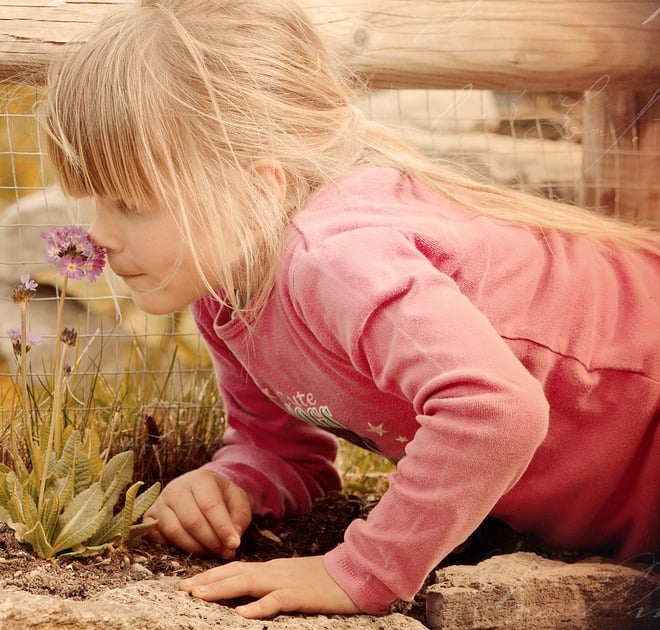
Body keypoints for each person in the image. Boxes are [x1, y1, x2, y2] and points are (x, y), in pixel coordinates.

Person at [37, 0, 660, 618]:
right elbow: (285, 449)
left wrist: (362, 570)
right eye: (94, 201)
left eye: (131, 202)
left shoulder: (337, 261)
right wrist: (234, 482)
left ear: (260, 186)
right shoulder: (226, 297)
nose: (100, 235)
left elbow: (496, 410)